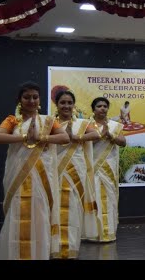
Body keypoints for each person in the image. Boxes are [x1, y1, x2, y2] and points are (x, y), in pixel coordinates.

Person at [0, 81, 69, 260]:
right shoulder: (12, 120)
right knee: (17, 210)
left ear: (39, 99)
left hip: (42, 176)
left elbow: (64, 137)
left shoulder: (48, 121)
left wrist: (41, 137)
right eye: (27, 97)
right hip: (17, 173)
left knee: (40, 211)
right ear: (20, 100)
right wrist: (25, 136)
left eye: (35, 97)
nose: (31, 101)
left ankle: (39, 254)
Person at [52, 90, 100, 259]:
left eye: (69, 103)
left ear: (74, 105)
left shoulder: (82, 122)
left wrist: (76, 136)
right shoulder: (50, 123)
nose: (66, 106)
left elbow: (96, 134)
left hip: (76, 169)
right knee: (55, 207)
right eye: (62, 103)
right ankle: (55, 247)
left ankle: (70, 246)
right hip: (54, 170)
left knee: (73, 207)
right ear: (56, 105)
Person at [89, 97, 126, 242]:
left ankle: (108, 231)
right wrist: (99, 136)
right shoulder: (87, 125)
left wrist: (111, 136)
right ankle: (93, 233)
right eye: (99, 106)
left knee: (109, 198)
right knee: (94, 197)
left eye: (105, 106)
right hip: (93, 165)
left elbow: (123, 142)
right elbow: (83, 142)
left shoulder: (114, 125)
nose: (102, 108)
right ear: (93, 109)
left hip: (109, 166)